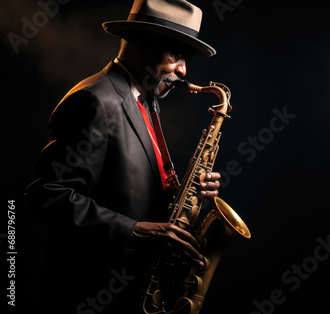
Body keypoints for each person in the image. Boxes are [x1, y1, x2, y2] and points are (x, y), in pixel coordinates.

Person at [24, 0, 221, 312]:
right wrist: (135, 231)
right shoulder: (94, 101)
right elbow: (47, 195)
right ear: (140, 41)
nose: (183, 70)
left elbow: (127, 185)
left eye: (187, 58)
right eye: (176, 54)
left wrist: (191, 193)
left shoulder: (146, 100)